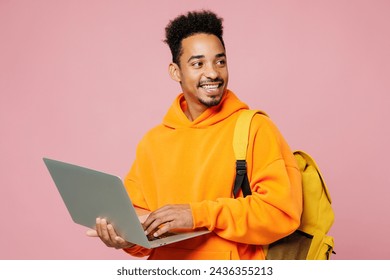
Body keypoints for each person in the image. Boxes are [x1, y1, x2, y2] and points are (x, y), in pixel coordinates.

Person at [87, 10, 302, 260]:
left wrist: (196, 214)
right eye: (198, 64)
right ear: (175, 72)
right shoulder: (153, 142)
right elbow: (144, 237)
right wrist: (125, 238)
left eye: (220, 61)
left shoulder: (254, 128)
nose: (212, 73)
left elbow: (280, 213)